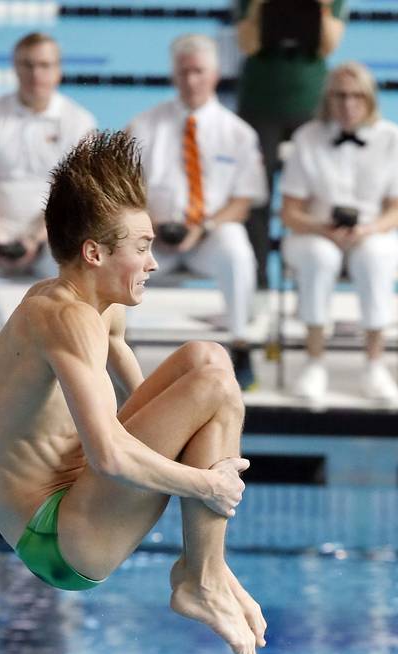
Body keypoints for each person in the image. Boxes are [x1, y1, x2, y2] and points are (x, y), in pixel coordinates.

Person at [0, 130, 266, 654]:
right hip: (56, 538)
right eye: (142, 247)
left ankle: (207, 572)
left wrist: (199, 475)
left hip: (80, 498)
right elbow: (109, 455)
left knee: (208, 361)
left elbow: (142, 394)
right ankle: (201, 578)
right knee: (215, 388)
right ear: (95, 252)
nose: (153, 262)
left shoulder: (97, 302)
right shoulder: (63, 316)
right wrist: (210, 487)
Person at [127, 34, 267, 391]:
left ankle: (240, 343)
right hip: (153, 238)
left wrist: (203, 227)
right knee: (119, 247)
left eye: (199, 72)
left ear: (215, 74)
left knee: (236, 246)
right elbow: (125, 194)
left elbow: (244, 200)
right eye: (184, 72)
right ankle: (113, 349)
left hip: (207, 236)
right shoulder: (143, 127)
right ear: (174, 75)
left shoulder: (238, 133)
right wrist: (151, 226)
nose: (191, 80)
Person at [0, 32, 96, 363]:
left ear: (58, 70)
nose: (36, 74)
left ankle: (53, 356)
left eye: (44, 65)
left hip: (52, 231)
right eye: (27, 65)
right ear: (15, 68)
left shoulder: (80, 122)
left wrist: (34, 238)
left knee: (71, 268)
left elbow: (73, 197)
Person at [279, 61, 398, 404]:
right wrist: (323, 228)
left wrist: (369, 229)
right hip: (315, 231)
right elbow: (290, 212)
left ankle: (375, 363)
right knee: (319, 255)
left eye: (357, 96)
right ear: (327, 99)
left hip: (373, 232)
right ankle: (314, 361)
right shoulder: (306, 138)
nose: (348, 104)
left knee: (375, 256)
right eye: (340, 96)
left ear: (370, 99)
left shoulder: (393, 138)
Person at [235, 0, 347, 289]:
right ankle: (256, 282)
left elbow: (328, 46)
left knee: (309, 196)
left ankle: (304, 282)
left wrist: (321, 7)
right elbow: (247, 44)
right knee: (256, 197)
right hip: (260, 102)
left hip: (309, 101)